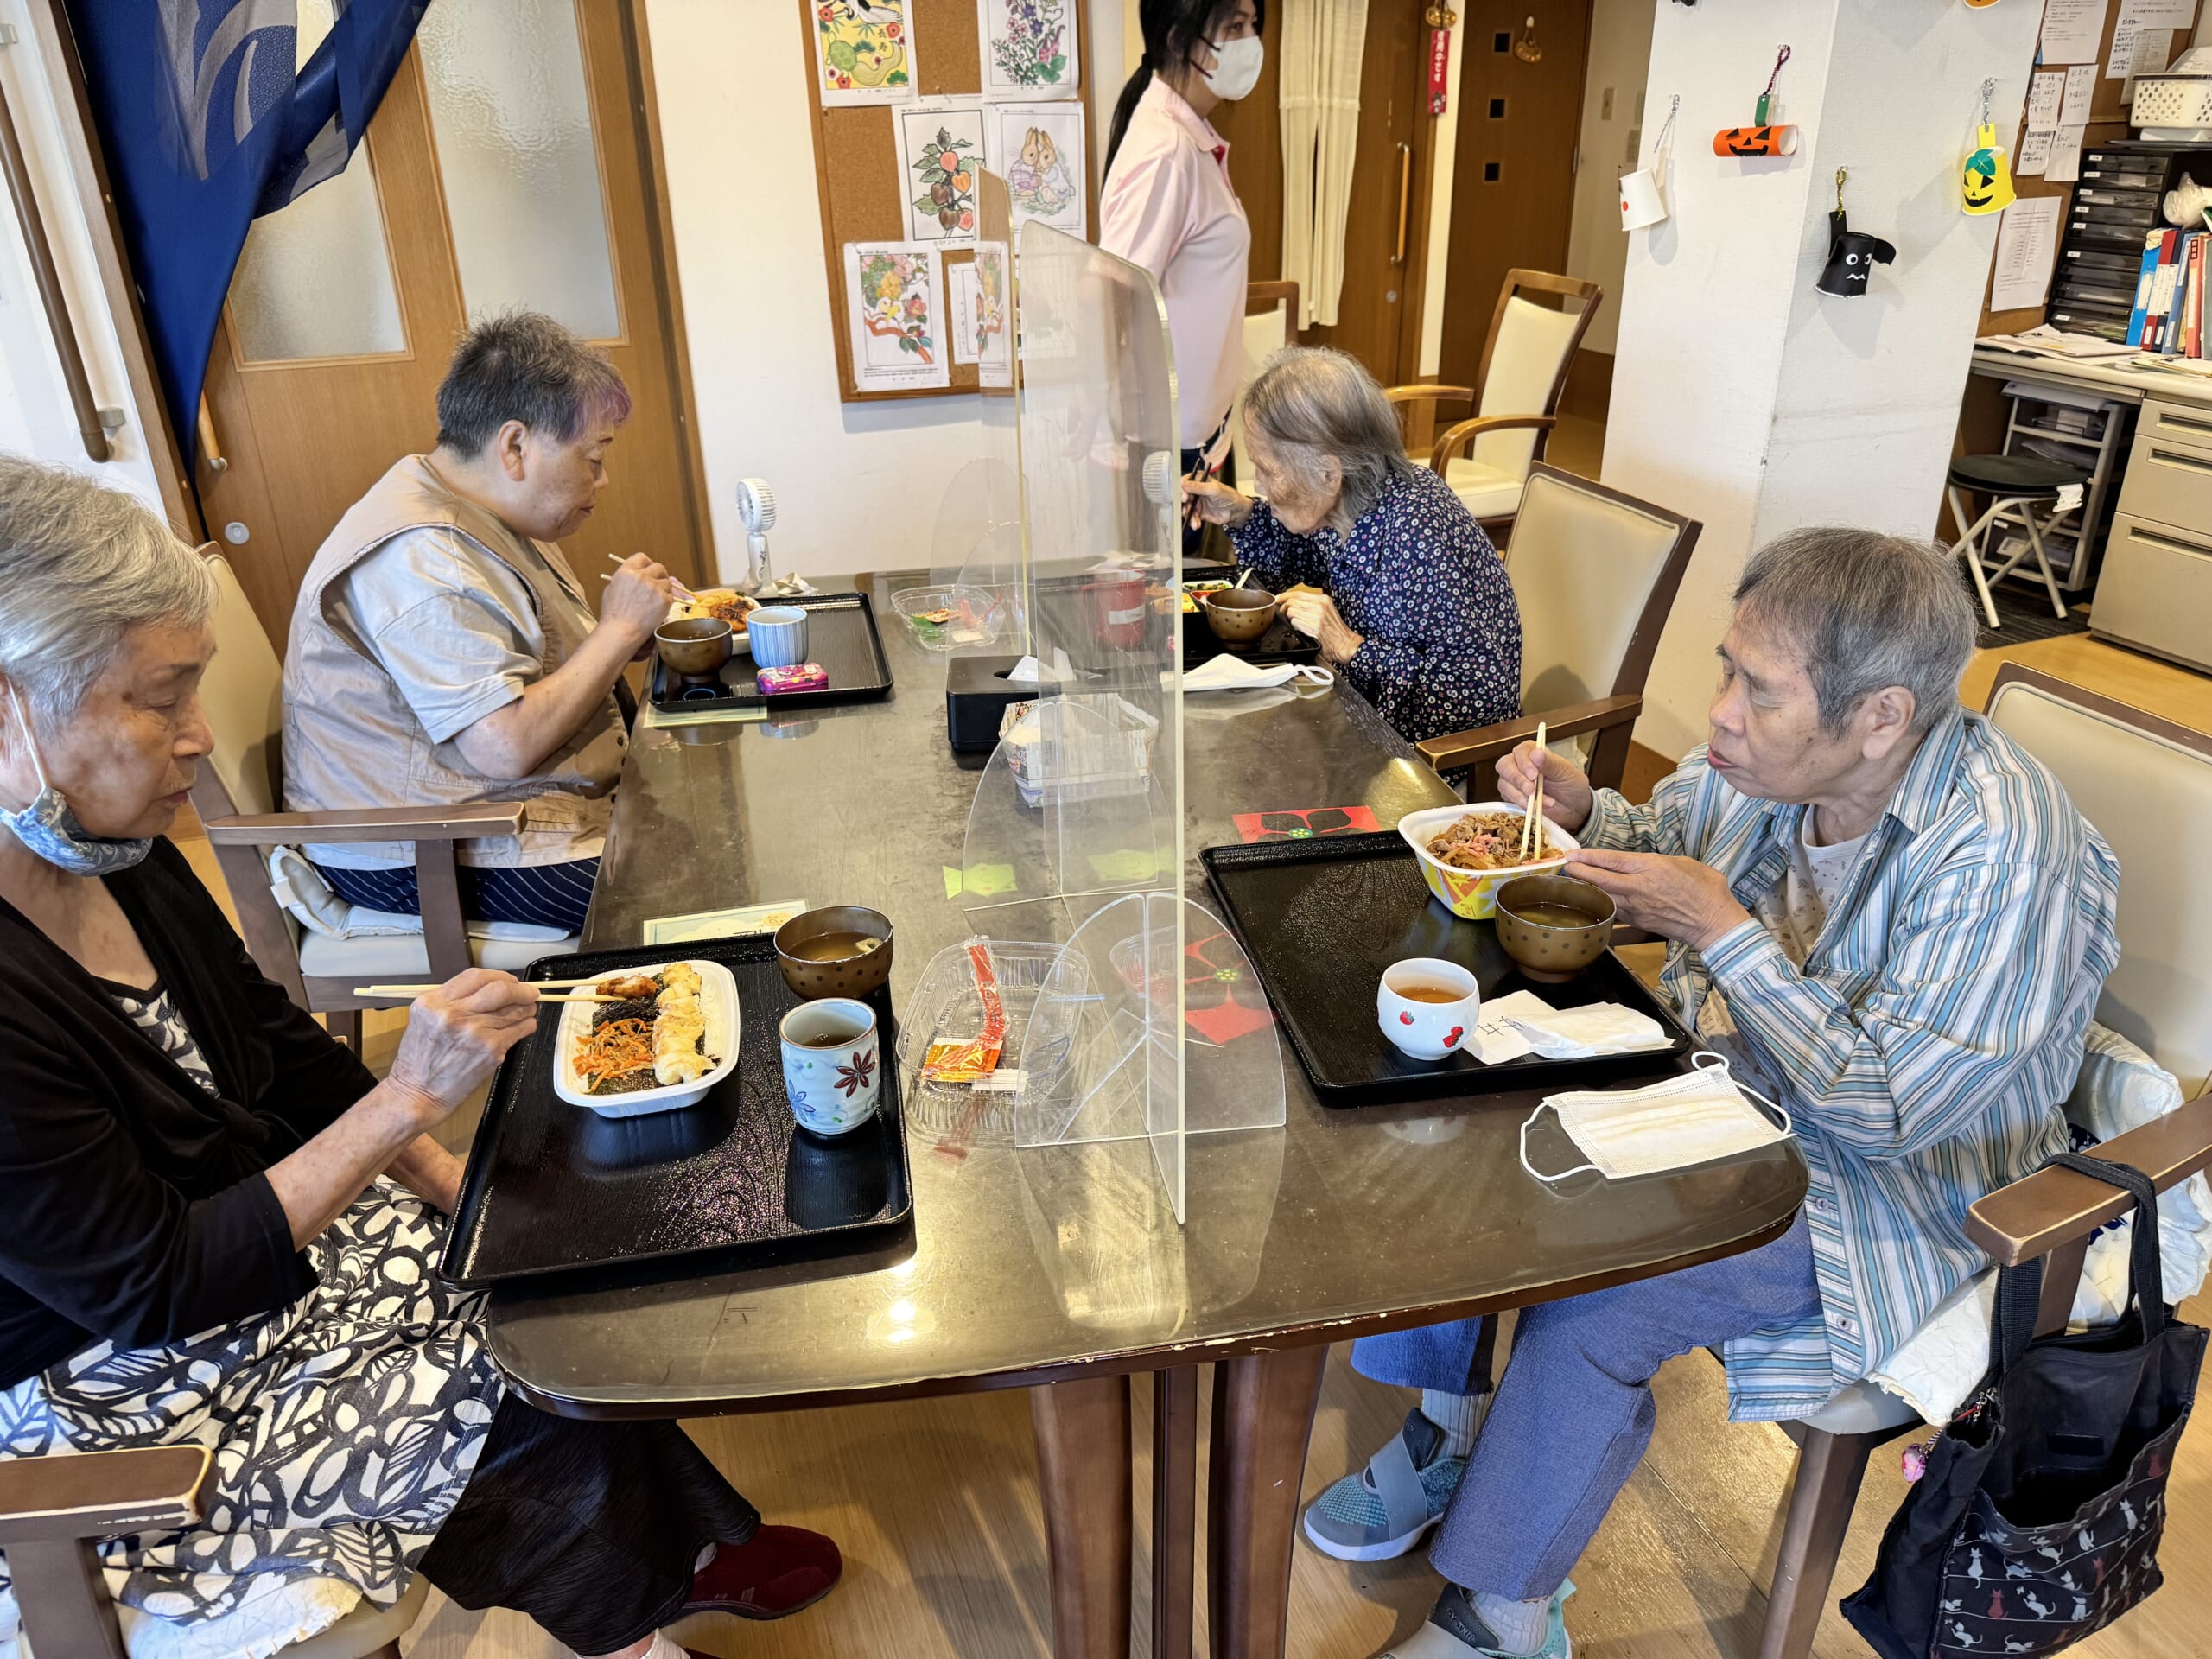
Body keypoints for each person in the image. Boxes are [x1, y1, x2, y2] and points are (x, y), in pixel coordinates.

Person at [0, 461, 840, 1659]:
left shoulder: (110, 858)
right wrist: (405, 1104)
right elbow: (155, 1286)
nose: (198, 736)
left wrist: (458, 1185)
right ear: (8, 715)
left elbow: (279, 1050)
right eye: (158, 699)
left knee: (548, 1273)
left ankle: (680, 1557)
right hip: (126, 1394)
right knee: (516, 1394)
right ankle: (640, 1625)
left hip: (246, 1273)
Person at [1301, 529, 2120, 1659]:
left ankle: (1499, 1617)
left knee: (1599, 1298)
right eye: (1727, 670)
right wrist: (1590, 816)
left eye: (1759, 690)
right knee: (1470, 1122)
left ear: (1881, 716)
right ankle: (1453, 1432)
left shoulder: (2002, 851)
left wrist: (1725, 935)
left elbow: (1894, 1114)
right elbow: (1673, 840)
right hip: (1737, 1087)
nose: (1721, 712)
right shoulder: (1777, 765)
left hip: (1901, 1190)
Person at [283, 312, 673, 935]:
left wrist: (629, 634)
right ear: (515, 447)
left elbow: (536, 660)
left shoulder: (482, 506)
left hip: (493, 813)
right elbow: (503, 746)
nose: (603, 478)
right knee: (696, 890)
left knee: (712, 824)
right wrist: (618, 632)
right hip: (426, 848)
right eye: (594, 456)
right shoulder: (421, 553)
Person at [1183, 346, 1521, 747]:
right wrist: (1241, 513)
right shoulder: (1352, 501)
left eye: (1267, 470)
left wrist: (1349, 646)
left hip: (1424, 756)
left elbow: (1477, 696)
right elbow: (1303, 560)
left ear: (1329, 474)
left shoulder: (1417, 531)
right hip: (1360, 716)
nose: (1257, 484)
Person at [1100, 0, 1263, 498]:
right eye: (1234, 26)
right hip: (1172, 442)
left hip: (1200, 433)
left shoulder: (1189, 138)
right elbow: (1109, 292)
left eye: (1253, 24)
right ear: (1177, 40)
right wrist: (1097, 426)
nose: (1251, 41)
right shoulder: (1167, 153)